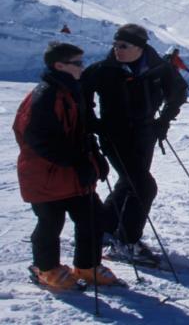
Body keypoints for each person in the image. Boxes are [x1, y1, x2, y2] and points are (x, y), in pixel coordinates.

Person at [14, 42, 121, 290]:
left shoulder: (71, 91)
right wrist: (77, 161)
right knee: (51, 222)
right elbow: (38, 139)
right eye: (78, 63)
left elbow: (80, 132)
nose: (83, 67)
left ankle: (86, 265)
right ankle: (46, 268)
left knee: (93, 217)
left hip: (72, 174)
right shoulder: (44, 96)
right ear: (59, 66)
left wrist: (95, 157)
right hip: (45, 175)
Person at [81, 24, 188, 265]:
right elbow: (81, 94)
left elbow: (179, 92)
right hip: (114, 137)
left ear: (139, 48)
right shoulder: (103, 70)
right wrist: (91, 122)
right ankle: (126, 242)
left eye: (123, 46)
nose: (116, 49)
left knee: (130, 182)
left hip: (145, 134)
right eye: (115, 44)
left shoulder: (159, 68)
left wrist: (164, 120)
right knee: (143, 186)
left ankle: (105, 226)